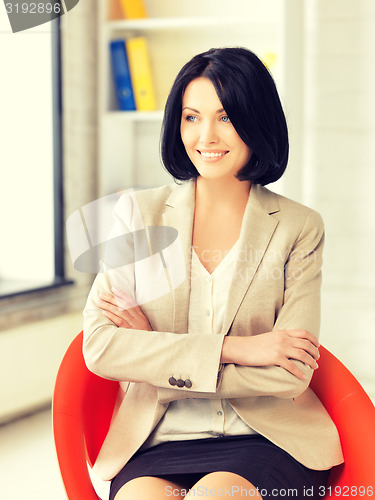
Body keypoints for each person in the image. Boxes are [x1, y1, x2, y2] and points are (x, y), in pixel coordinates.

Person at [82, 47, 344, 500]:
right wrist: (242, 349)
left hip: (269, 438)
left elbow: (290, 375)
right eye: (191, 117)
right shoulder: (138, 216)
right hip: (160, 438)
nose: (206, 135)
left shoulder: (300, 227)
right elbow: (102, 347)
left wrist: (156, 358)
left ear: (255, 120)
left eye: (225, 117)